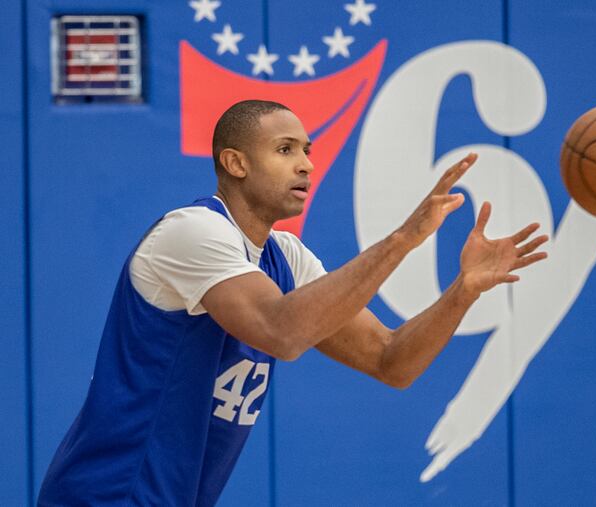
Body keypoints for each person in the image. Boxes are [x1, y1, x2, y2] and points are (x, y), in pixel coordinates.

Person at [38, 100, 548, 505]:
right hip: (108, 492)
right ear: (234, 162)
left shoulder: (285, 256)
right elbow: (281, 333)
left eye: (307, 150)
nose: (305, 164)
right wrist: (404, 238)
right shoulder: (194, 232)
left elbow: (391, 359)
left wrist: (462, 291)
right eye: (285, 150)